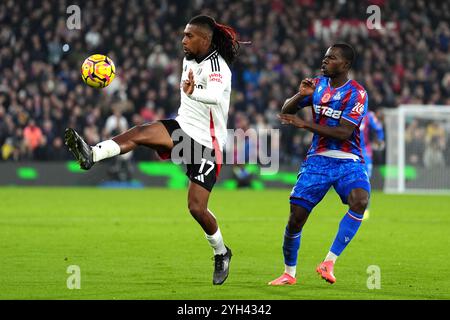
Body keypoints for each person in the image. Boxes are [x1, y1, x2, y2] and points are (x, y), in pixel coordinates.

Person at [64, 15, 240, 285]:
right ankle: (92, 154)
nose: (183, 40)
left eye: (189, 36)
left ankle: (221, 252)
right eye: (183, 34)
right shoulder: (188, 59)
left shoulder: (218, 66)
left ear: (205, 39)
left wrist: (193, 92)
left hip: (207, 144)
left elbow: (215, 96)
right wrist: (190, 94)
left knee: (196, 208)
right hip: (182, 128)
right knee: (140, 133)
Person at [269, 43, 370, 285]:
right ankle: (288, 274)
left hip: (349, 159)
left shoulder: (357, 93)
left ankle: (329, 261)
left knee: (360, 200)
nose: (324, 61)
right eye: (325, 57)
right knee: (296, 217)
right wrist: (300, 96)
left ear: (345, 65)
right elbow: (285, 111)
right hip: (318, 160)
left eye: (331, 58)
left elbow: (345, 132)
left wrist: (306, 124)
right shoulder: (317, 85)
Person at [359, 110, 385, 219]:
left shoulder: (368, 115)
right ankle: (355, 207)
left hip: (364, 152)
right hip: (349, 151)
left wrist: (379, 140)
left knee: (365, 181)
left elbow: (378, 129)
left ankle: (365, 210)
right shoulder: (347, 110)